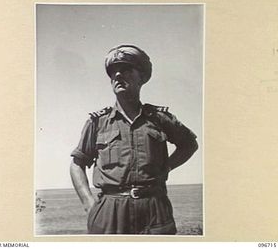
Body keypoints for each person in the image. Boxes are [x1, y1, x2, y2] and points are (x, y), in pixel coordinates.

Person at [70, 44, 198, 234]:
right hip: (110, 211)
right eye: (114, 72)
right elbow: (77, 164)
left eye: (126, 69)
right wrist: (89, 204)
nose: (118, 75)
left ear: (142, 78)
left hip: (155, 209)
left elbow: (189, 144)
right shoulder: (98, 122)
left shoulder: (159, 119)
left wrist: (168, 167)